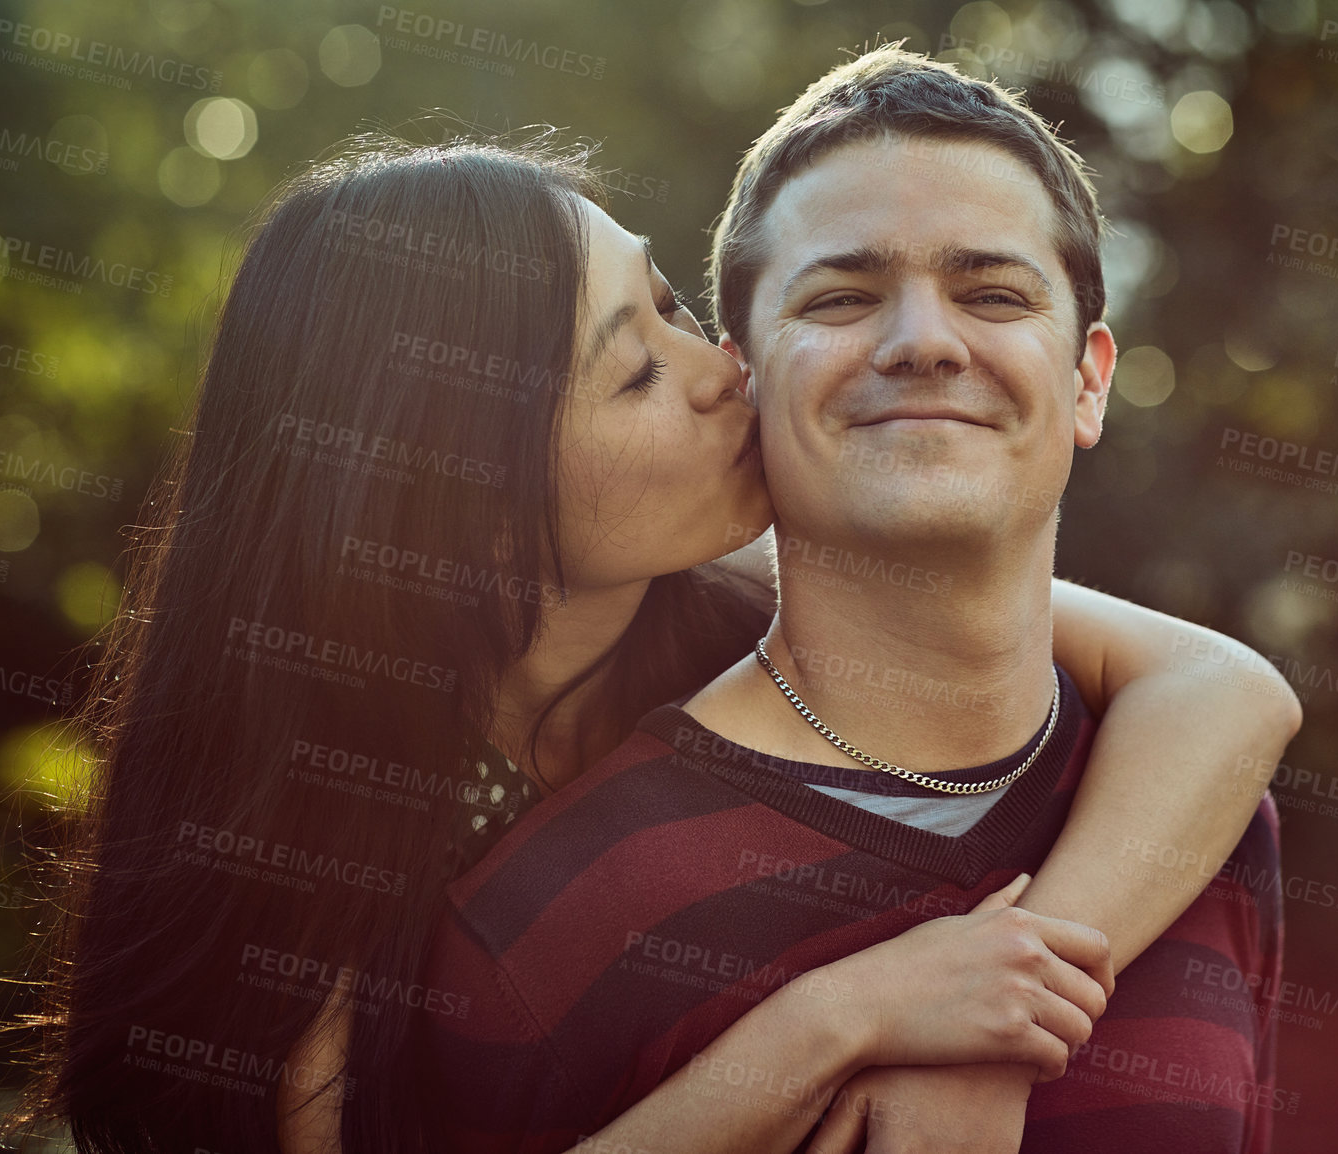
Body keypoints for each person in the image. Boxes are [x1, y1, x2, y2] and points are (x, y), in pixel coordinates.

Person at [4, 120, 1295, 1154]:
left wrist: (992, 1018)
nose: (727, 369)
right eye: (638, 369)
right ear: (474, 503)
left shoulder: (753, 600)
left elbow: (1221, 686)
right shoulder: (318, 941)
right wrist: (829, 1024)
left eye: (675, 305)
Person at [421, 47, 1291, 1154]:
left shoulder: (1202, 819)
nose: (923, 341)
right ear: (745, 378)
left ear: (1088, 378)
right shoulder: (536, 929)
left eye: (991, 292)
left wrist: (995, 1030)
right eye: (841, 295)